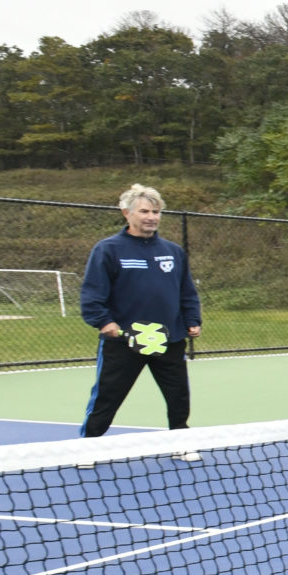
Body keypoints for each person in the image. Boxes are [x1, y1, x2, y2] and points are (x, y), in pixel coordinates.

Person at [79, 183, 202, 438]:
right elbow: (92, 294)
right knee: (107, 396)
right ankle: (88, 445)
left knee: (179, 396)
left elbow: (186, 291)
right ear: (127, 212)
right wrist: (104, 322)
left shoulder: (172, 252)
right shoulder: (108, 249)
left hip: (169, 339)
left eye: (156, 212)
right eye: (145, 211)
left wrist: (192, 319)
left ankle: (180, 440)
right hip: (123, 342)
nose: (151, 217)